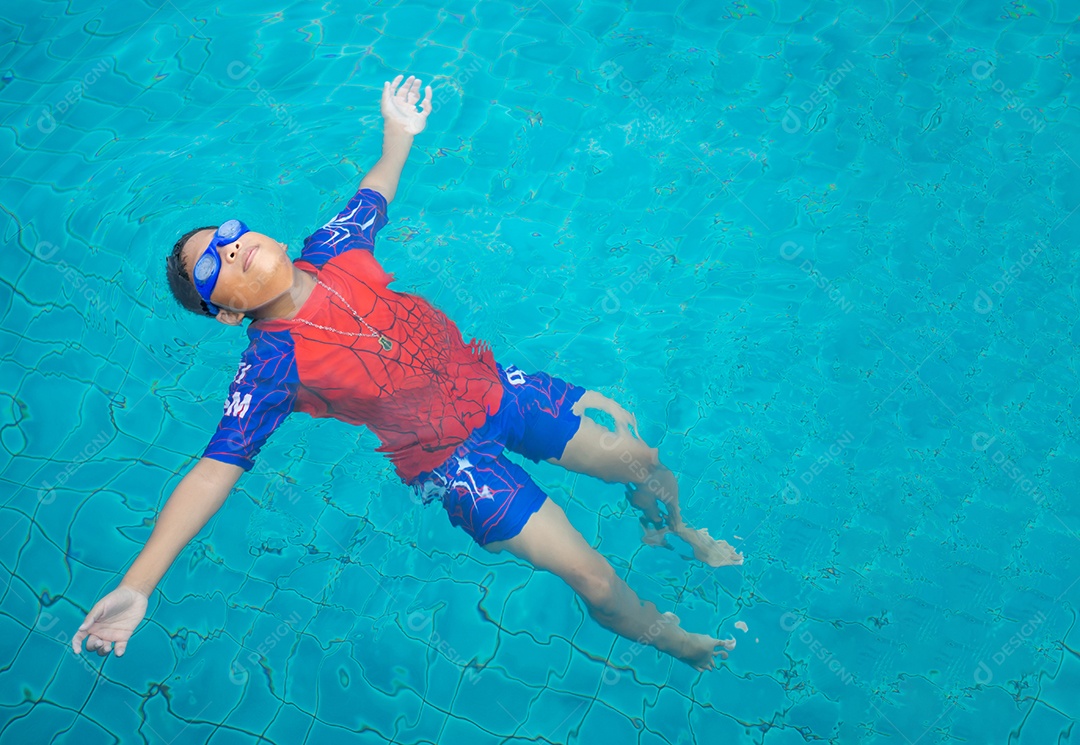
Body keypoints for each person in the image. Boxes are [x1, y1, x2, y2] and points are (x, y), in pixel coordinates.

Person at [71, 74, 743, 673]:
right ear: (224, 314)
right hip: (452, 463)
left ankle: (676, 528)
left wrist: (399, 132)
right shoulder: (268, 368)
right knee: (593, 578)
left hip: (493, 386)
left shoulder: (335, 246)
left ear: (264, 234)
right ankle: (676, 641)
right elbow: (211, 471)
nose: (231, 247)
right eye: (211, 265)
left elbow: (378, 183)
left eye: (228, 232)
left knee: (643, 461)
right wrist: (140, 581)